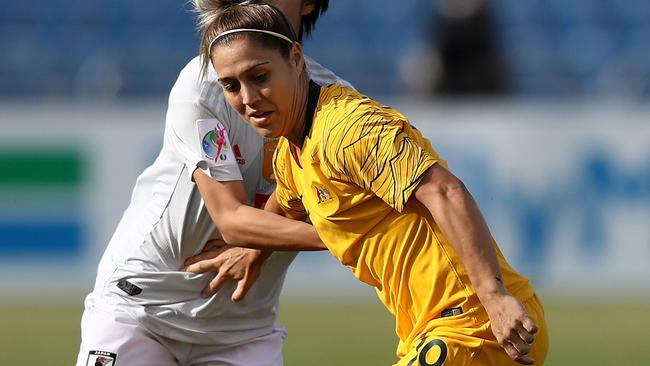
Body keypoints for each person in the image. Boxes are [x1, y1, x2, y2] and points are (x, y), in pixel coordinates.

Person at [198, 3, 549, 365]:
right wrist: (252, 252)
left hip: (473, 326)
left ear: (296, 58)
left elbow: (445, 190)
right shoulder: (292, 153)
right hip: (437, 330)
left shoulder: (348, 128)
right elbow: (288, 204)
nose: (248, 98)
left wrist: (494, 299)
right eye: (231, 86)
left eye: (260, 76)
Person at [75, 1, 348, 365]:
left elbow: (345, 206)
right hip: (144, 307)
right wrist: (351, 237)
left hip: (243, 329)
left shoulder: (337, 104)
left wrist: (260, 247)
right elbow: (233, 220)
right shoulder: (205, 83)